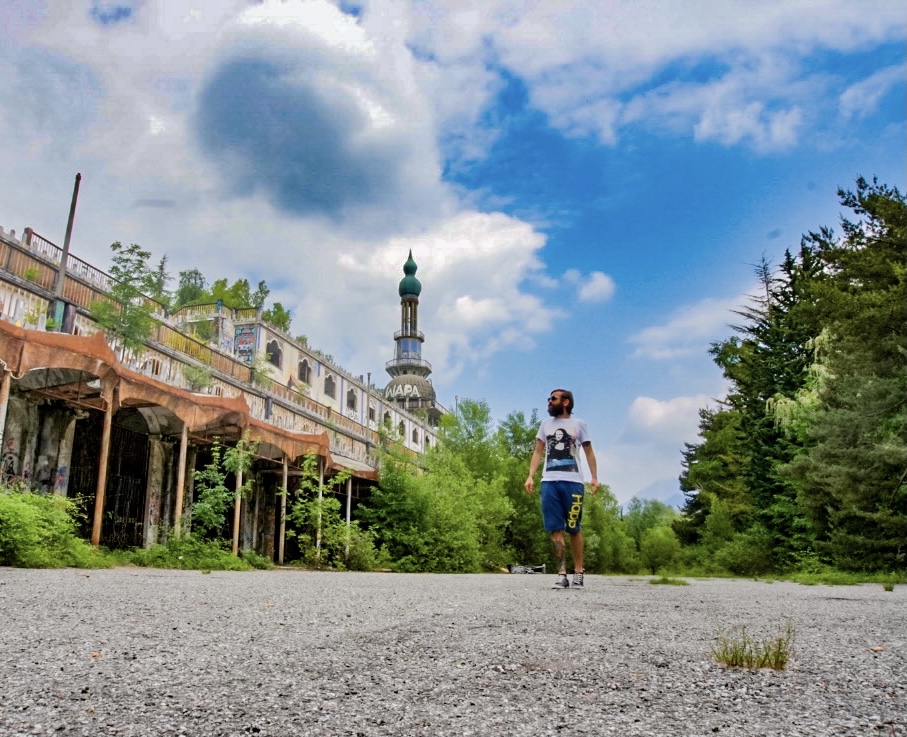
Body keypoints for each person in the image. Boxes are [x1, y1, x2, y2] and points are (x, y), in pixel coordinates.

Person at [524, 388, 600, 589]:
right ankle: (562, 574)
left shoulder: (579, 425)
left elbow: (589, 452)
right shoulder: (545, 425)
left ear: (565, 402)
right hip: (549, 482)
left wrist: (594, 477)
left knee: (574, 528)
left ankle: (578, 572)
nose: (549, 401)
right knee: (555, 529)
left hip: (573, 483)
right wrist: (531, 475)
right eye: (548, 398)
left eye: (553, 398)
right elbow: (538, 451)